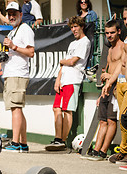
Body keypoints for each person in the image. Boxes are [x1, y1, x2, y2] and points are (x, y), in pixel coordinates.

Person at [45, 16, 91, 151]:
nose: (73, 29)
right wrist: (58, 80)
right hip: (64, 80)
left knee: (67, 111)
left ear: (82, 26)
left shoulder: (85, 42)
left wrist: (62, 61)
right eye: (71, 27)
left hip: (73, 79)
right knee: (56, 109)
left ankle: (63, 141)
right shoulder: (72, 44)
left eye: (76, 26)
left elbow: (72, 62)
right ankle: (57, 139)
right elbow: (64, 64)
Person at [85, 20, 123, 161]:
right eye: (107, 33)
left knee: (111, 120)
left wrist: (110, 78)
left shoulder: (123, 47)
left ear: (119, 31)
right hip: (107, 88)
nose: (109, 35)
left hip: (117, 87)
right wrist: (102, 92)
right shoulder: (110, 49)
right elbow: (107, 69)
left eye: (112, 32)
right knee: (102, 120)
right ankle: (96, 149)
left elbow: (121, 68)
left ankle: (103, 150)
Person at [1, 2, 34, 152]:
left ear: (21, 14)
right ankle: (23, 144)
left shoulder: (25, 29)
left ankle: (15, 143)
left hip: (18, 74)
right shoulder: (14, 30)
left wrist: (13, 47)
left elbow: (31, 52)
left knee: (16, 108)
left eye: (14, 13)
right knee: (18, 109)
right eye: (9, 14)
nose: (11, 16)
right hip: (11, 73)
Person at [110, 5, 127, 169]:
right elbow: (121, 64)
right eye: (124, 18)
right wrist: (112, 82)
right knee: (123, 119)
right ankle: (125, 151)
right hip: (123, 82)